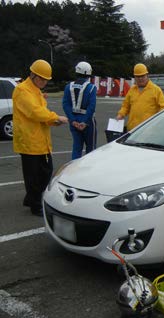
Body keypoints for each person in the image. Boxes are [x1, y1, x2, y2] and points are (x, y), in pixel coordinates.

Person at [12, 59, 68, 216]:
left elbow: (40, 114)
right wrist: (56, 117)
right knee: (34, 175)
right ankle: (35, 205)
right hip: (29, 141)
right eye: (42, 79)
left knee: (44, 171)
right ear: (33, 75)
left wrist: (53, 122)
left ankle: (30, 198)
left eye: (46, 80)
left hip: (41, 140)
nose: (44, 82)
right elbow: (35, 112)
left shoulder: (36, 91)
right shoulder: (22, 91)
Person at [116, 63, 164, 131]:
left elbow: (163, 108)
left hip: (149, 130)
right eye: (138, 76)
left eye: (142, 76)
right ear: (135, 77)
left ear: (147, 75)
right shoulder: (132, 90)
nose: (140, 79)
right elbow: (125, 106)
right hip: (132, 130)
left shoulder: (156, 90)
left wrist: (157, 123)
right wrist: (120, 115)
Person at [62, 61, 97, 160]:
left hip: (74, 120)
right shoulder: (91, 87)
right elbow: (92, 106)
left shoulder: (68, 87)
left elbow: (65, 104)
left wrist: (72, 120)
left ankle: (74, 170)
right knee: (91, 149)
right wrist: (85, 121)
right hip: (88, 121)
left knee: (77, 148)